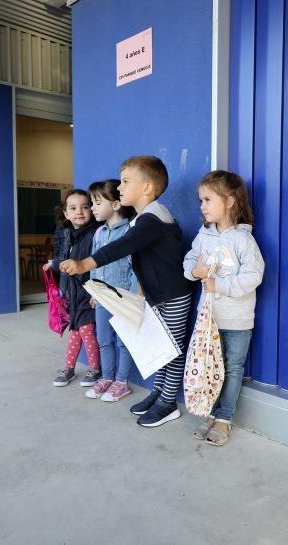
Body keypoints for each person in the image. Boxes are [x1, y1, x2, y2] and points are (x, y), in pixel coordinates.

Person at [61, 155, 192, 427]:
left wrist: (85, 263)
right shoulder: (142, 218)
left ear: (146, 188)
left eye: (125, 181)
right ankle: (158, 393)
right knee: (160, 349)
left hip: (174, 295)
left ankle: (169, 404)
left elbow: (124, 246)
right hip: (157, 296)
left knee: (172, 350)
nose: (119, 187)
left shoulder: (153, 218)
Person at [183, 170, 264, 445]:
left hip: (237, 319)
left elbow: (254, 276)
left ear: (229, 201)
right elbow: (190, 260)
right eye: (201, 201)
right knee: (208, 365)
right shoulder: (203, 236)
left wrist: (220, 285)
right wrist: (195, 271)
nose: (202, 206)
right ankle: (210, 410)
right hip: (209, 319)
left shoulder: (243, 240)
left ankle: (224, 418)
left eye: (208, 199)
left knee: (231, 367)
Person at [85, 179, 137, 402]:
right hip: (102, 297)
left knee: (123, 341)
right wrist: (94, 292)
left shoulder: (130, 231)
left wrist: (133, 297)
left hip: (123, 297)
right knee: (104, 339)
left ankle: (121, 382)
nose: (92, 208)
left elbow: (136, 267)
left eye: (97, 203)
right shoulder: (98, 233)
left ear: (116, 204)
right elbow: (92, 264)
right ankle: (106, 378)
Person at [45, 189, 101, 387]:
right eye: (73, 208)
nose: (80, 211)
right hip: (72, 292)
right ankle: (69, 368)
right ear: (66, 213)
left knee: (86, 329)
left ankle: (95, 368)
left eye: (85, 207)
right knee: (76, 330)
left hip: (89, 291)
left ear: (92, 210)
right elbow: (63, 260)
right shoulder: (65, 234)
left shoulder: (96, 233)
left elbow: (96, 263)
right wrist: (53, 264)